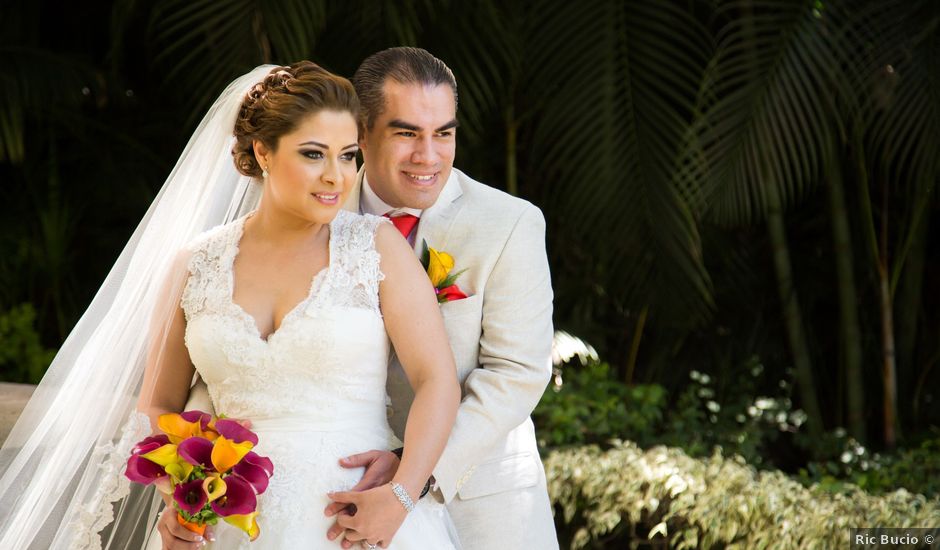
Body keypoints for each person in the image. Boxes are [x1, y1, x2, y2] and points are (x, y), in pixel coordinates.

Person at [0, 62, 462, 550]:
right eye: (313, 154)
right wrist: (183, 498)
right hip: (223, 530)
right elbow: (158, 405)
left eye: (348, 156)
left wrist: (401, 497)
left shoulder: (376, 247)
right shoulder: (196, 263)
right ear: (262, 151)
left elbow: (437, 381)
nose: (336, 176)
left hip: (356, 522)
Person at [324, 47, 559, 550]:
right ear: (360, 133)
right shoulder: (313, 215)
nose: (428, 156)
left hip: (475, 505)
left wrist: (410, 478)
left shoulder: (510, 223)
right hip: (333, 496)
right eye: (407, 133)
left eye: (444, 133)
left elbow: (516, 371)